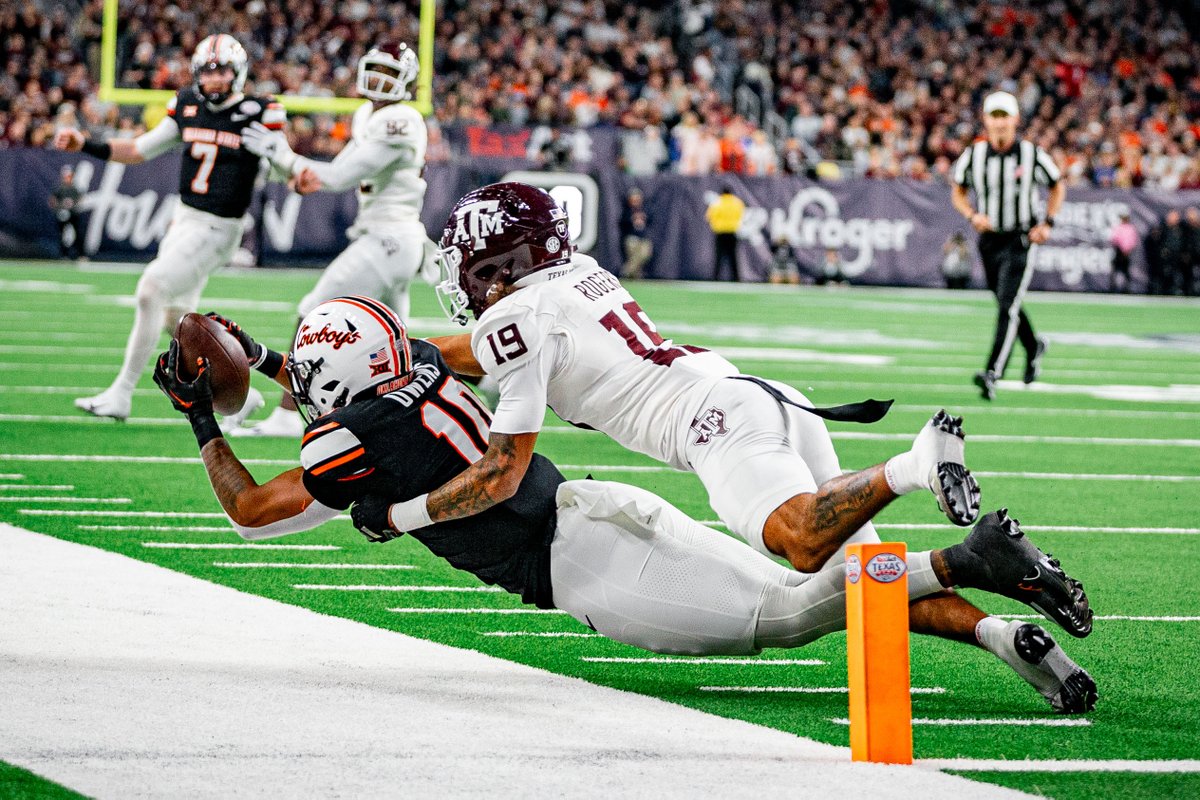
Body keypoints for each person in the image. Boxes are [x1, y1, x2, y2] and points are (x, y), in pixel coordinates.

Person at [151, 299, 1096, 714]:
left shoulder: (344, 440)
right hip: (597, 506)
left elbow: (252, 507)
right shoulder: (423, 367)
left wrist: (201, 417)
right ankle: (995, 635)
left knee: (788, 611)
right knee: (806, 585)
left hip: (586, 566)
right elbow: (369, 371)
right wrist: (269, 359)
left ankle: (963, 558)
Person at [398, 183, 1095, 672]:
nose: (461, 274)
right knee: (865, 580)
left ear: (502, 261)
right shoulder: (576, 276)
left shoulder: (517, 319)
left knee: (799, 544)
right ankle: (1002, 634)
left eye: (467, 259)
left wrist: (399, 514)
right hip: (756, 396)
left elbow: (502, 470)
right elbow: (479, 348)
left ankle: (911, 467)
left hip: (711, 422)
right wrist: (411, 352)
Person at [52, 34, 284, 425]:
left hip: (220, 225)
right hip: (185, 219)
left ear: (238, 73)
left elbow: (281, 165)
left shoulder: (260, 110)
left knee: (150, 289)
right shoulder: (187, 104)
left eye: (222, 71)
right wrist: (85, 144)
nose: (213, 80)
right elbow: (140, 148)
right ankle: (243, 400)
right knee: (177, 321)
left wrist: (274, 156)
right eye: (207, 72)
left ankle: (122, 393)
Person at [233, 42, 437, 438]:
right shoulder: (367, 114)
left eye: (390, 75)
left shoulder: (401, 119)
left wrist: (284, 153)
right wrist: (289, 168)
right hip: (389, 240)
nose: (379, 82)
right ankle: (473, 392)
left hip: (388, 239)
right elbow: (330, 174)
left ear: (406, 83)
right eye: (375, 71)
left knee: (312, 312)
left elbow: (340, 177)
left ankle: (289, 415)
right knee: (402, 346)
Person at [951, 91, 1062, 401]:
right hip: (989, 239)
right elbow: (958, 190)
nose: (999, 123)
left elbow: (1057, 185)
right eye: (994, 116)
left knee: (1006, 306)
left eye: (1004, 116)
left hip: (1020, 237)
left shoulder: (1031, 153)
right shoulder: (974, 155)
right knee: (1005, 301)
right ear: (986, 120)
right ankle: (1034, 345)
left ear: (1015, 119)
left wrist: (1047, 223)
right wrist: (972, 214)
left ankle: (992, 372)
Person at [706, 185, 744, 281]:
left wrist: (716, 224)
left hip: (720, 232)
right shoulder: (737, 202)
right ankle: (736, 278)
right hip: (732, 232)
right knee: (733, 257)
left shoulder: (717, 202)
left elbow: (709, 216)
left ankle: (716, 277)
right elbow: (741, 215)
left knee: (719, 256)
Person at [48, 164, 82, 260]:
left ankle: (79, 254)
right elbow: (52, 200)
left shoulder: (74, 188)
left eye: (69, 176)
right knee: (62, 235)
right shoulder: (59, 188)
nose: (68, 178)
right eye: (66, 176)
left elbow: (80, 199)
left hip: (73, 214)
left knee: (77, 234)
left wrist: (72, 205)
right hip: (62, 214)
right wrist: (60, 207)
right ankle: (64, 254)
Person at [619, 189, 652, 280]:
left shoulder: (644, 209)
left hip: (643, 236)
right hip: (632, 237)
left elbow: (651, 219)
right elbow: (622, 222)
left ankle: (626, 271)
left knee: (644, 254)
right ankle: (634, 275)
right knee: (633, 255)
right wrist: (632, 219)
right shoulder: (627, 210)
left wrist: (642, 218)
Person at [1109, 213, 1138, 293]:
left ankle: (1126, 288)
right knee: (1115, 271)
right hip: (1119, 252)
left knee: (1125, 271)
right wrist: (1122, 248)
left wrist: (1127, 249)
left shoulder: (1130, 228)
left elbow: (1133, 241)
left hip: (1126, 253)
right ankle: (1113, 287)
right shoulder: (1119, 228)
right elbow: (1114, 239)